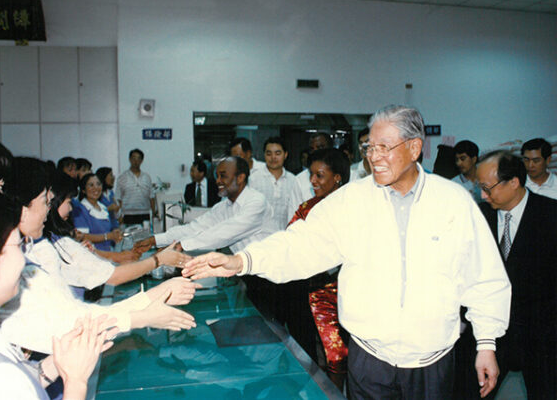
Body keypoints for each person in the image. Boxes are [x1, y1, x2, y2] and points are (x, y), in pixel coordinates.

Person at [183, 105, 511, 399]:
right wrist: (241, 260)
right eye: (370, 148)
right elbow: (299, 245)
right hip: (368, 359)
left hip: (433, 360)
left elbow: (484, 278)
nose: (374, 156)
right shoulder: (350, 202)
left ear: (414, 148)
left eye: (385, 147)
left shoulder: (453, 202)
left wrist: (486, 344)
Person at [0, 157, 197, 355]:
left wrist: (150, 298)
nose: (50, 208)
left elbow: (72, 315)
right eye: (46, 201)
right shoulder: (44, 251)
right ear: (22, 209)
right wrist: (144, 311)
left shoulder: (42, 247)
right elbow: (73, 321)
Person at [0, 186, 117, 400]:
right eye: (19, 244)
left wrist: (52, 365)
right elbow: (5, 384)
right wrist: (76, 382)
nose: (24, 257)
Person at [475, 151, 556, 399]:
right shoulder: (477, 217)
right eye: (480, 188)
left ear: (514, 182)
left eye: (488, 188)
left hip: (542, 337)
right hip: (490, 335)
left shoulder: (550, 215)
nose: (483, 195)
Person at [44, 175, 192, 298]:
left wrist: (134, 258)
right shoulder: (60, 242)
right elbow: (114, 276)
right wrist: (157, 260)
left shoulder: (58, 239)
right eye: (69, 202)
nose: (71, 208)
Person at [285, 148, 351, 390]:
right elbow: (291, 243)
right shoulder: (306, 208)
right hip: (320, 291)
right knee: (334, 353)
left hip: (355, 289)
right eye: (311, 175)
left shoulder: (355, 206)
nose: (312, 181)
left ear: (337, 177)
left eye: (319, 176)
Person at [134, 156, 275, 254]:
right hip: (246, 269)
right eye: (217, 176)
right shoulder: (223, 206)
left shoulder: (256, 202)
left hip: (269, 274)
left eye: (223, 176)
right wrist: (156, 240)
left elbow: (225, 233)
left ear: (240, 178)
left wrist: (181, 246)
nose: (218, 181)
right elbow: (194, 228)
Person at [249, 136, 302, 230]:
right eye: (269, 153)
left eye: (278, 153)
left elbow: (296, 211)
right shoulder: (253, 179)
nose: (273, 157)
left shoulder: (293, 181)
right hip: (257, 237)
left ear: (285, 155)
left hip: (283, 237)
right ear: (264, 155)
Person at [72, 173, 123, 252]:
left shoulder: (103, 208)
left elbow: (109, 229)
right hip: (91, 256)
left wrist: (115, 232)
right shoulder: (80, 210)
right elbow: (82, 237)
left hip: (108, 253)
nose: (96, 188)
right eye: (91, 185)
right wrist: (108, 236)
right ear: (83, 190)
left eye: (98, 184)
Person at [290, 132, 332, 207]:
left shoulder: (348, 174)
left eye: (320, 147)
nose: (315, 152)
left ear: (331, 148)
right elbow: (294, 214)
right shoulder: (300, 180)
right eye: (312, 149)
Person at [115, 148, 156, 225]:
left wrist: (153, 212)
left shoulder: (147, 177)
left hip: (144, 213)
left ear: (142, 160)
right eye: (134, 158)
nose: (136, 161)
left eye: (139, 158)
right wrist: (119, 215)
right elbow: (118, 198)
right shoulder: (122, 177)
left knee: (145, 236)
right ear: (130, 159)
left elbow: (151, 197)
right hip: (127, 214)